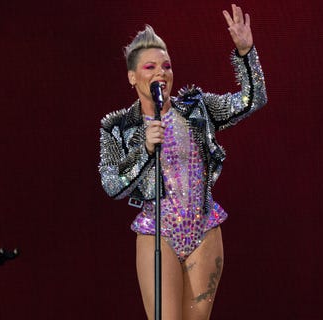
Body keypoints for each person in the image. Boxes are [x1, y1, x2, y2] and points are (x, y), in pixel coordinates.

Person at [99, 4, 266, 320]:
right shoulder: (117, 126)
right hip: (157, 231)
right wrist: (145, 150)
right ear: (132, 76)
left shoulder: (197, 109)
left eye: (167, 65)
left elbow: (251, 100)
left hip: (203, 229)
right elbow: (111, 185)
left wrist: (246, 53)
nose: (161, 72)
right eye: (151, 67)